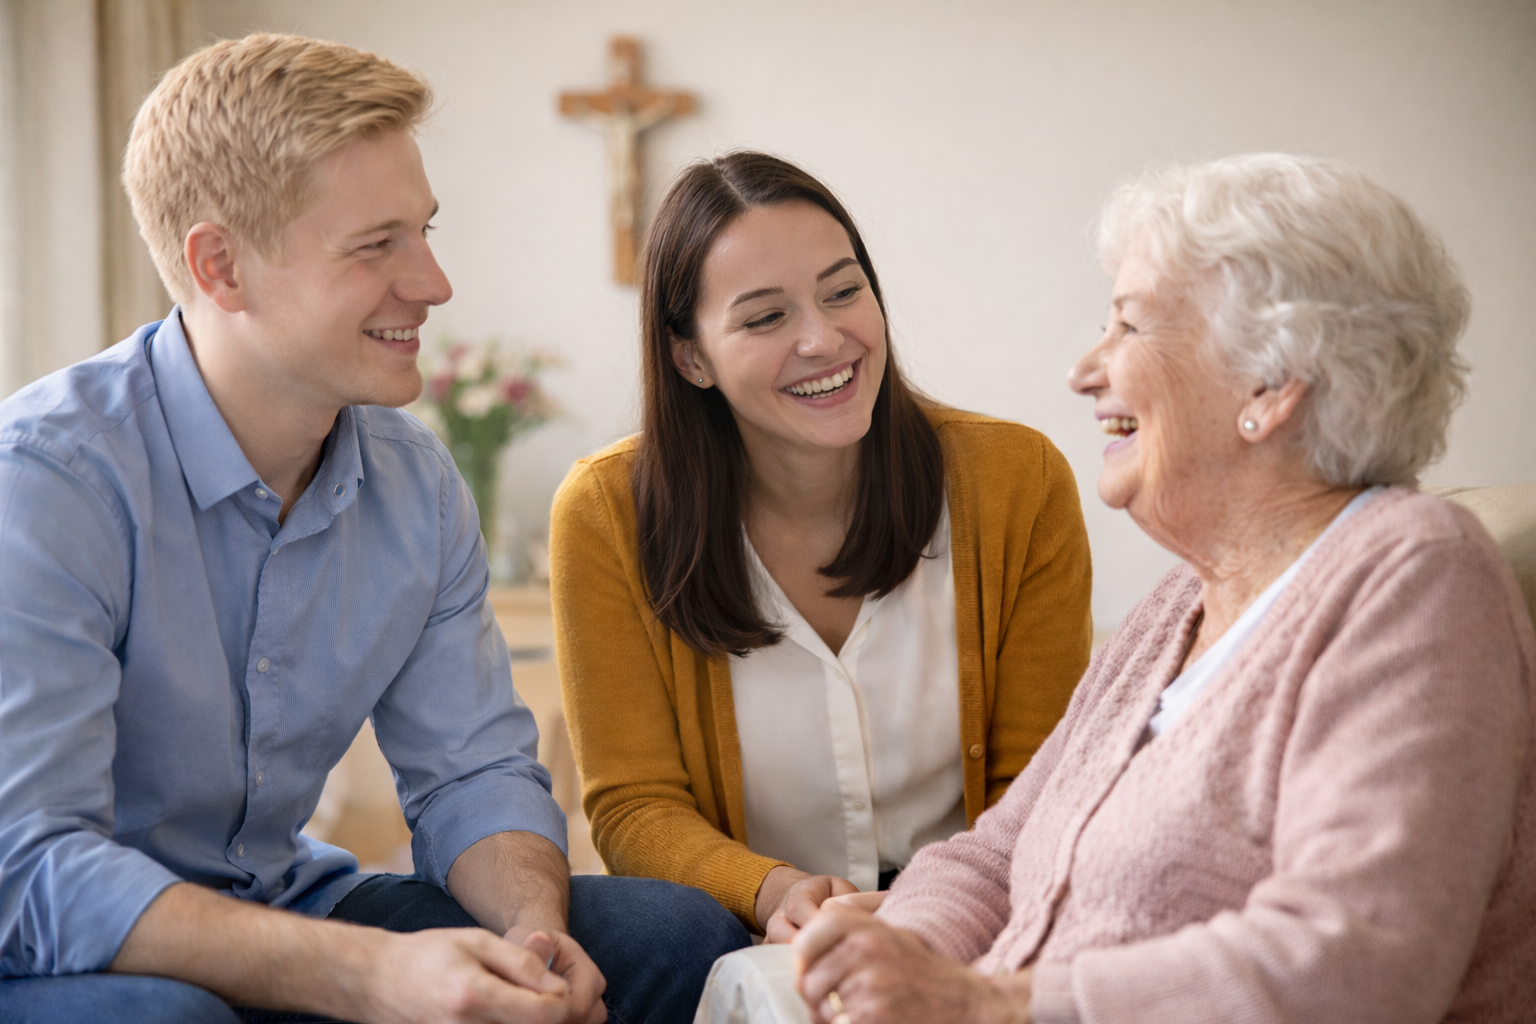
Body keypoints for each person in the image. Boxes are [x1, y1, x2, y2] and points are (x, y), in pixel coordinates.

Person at [0, 34, 746, 1024]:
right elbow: (31, 868)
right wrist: (363, 976)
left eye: (424, 231)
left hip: (283, 895)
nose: (434, 283)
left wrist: (532, 932)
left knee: (673, 937)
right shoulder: (48, 480)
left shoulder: (416, 481)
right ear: (220, 266)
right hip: (65, 953)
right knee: (168, 1019)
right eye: (376, 245)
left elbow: (472, 770)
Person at [699, 154, 1536, 1023]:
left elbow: (1348, 962)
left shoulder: (1416, 580)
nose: (1086, 370)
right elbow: (990, 857)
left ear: (1272, 384)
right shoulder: (1180, 607)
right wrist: (900, 954)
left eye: (1129, 329)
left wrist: (986, 1004)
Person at [549, 152, 1094, 941]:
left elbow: (1039, 780)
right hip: (745, 928)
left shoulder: (1015, 480)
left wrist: (937, 918)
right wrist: (777, 894)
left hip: (982, 919)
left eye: (844, 292)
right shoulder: (606, 513)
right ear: (690, 356)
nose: (823, 339)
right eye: (765, 317)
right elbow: (635, 807)